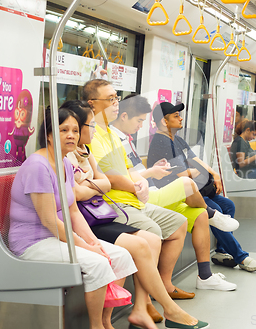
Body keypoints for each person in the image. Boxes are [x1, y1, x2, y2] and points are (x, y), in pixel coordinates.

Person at [82, 80, 237, 294]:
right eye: (110, 99)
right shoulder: (100, 136)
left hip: (143, 190)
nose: (115, 103)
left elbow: (129, 171)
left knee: (197, 214)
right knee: (187, 184)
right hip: (128, 198)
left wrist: (145, 178)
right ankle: (216, 222)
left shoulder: (120, 137)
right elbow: (111, 178)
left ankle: (201, 275)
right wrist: (143, 182)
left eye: (116, 98)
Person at [61, 100, 207, 327]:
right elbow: (78, 193)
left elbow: (104, 183)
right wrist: (95, 186)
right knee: (149, 234)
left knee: (153, 236)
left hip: (101, 210)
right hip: (91, 216)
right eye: (89, 125)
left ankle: (143, 305)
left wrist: (92, 186)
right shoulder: (64, 158)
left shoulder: (89, 149)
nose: (91, 129)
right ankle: (165, 308)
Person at [8, 107, 137, 329]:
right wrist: (87, 248)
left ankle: (107, 322)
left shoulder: (66, 164)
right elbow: (49, 220)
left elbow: (73, 212)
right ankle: (95, 326)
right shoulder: (38, 167)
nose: (71, 135)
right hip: (33, 241)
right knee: (97, 263)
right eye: (63, 129)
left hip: (56, 236)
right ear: (48, 134)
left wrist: (92, 242)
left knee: (121, 257)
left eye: (75, 130)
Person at [147, 101, 256, 272]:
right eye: (176, 116)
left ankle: (222, 252)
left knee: (228, 205)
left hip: (194, 188)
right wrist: (196, 172)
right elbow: (181, 174)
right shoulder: (161, 142)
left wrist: (214, 174)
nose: (181, 118)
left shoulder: (176, 139)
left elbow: (195, 160)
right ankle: (241, 256)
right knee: (214, 207)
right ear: (164, 122)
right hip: (177, 192)